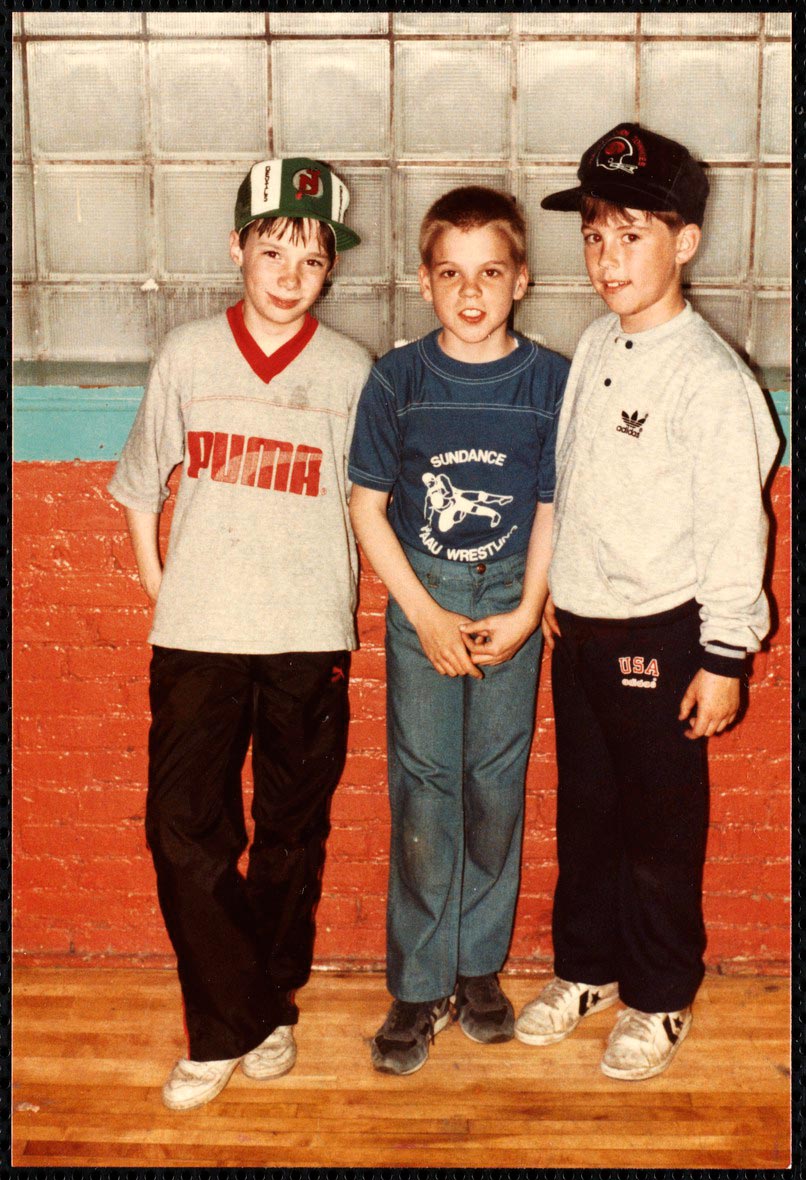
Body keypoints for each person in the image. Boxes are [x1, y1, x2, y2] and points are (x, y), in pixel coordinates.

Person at [514, 123, 779, 1080]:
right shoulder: (594, 341)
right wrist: (559, 592)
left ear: (687, 242)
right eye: (593, 236)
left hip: (665, 639)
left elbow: (734, 529)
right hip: (581, 630)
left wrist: (723, 657)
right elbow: (576, 479)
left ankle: (658, 995)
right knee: (585, 814)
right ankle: (587, 969)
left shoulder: (710, 378)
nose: (607, 258)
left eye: (632, 235)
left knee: (659, 831)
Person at [108, 157, 371, 1110]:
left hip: (307, 636)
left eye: (311, 254)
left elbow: (367, 505)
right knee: (183, 831)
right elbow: (141, 488)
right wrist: (163, 591)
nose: (290, 270)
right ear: (238, 250)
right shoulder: (185, 354)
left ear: (331, 267)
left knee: (291, 833)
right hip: (200, 637)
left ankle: (261, 1004)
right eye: (273, 247)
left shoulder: (350, 372)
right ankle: (238, 1019)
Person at [348, 186, 569, 1075]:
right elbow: (368, 507)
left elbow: (554, 501)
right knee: (427, 791)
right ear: (424, 281)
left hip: (512, 598)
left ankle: (478, 969)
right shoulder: (397, 380)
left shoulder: (549, 380)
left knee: (493, 786)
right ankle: (417, 983)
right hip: (425, 598)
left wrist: (524, 612)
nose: (470, 295)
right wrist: (423, 613)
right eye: (451, 274)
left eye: (490, 273)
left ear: (520, 279)